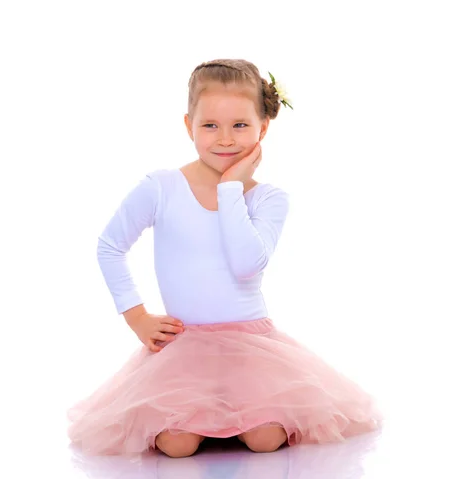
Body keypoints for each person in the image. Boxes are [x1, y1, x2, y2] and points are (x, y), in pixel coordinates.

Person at [66, 59, 383, 458]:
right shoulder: (162, 187)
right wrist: (137, 316)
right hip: (183, 344)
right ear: (188, 126)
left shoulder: (268, 199)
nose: (226, 139)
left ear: (262, 128)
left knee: (266, 440)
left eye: (240, 125)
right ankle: (205, 423)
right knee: (177, 446)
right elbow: (110, 245)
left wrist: (231, 188)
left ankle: (233, 420)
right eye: (210, 126)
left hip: (251, 345)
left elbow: (247, 264)